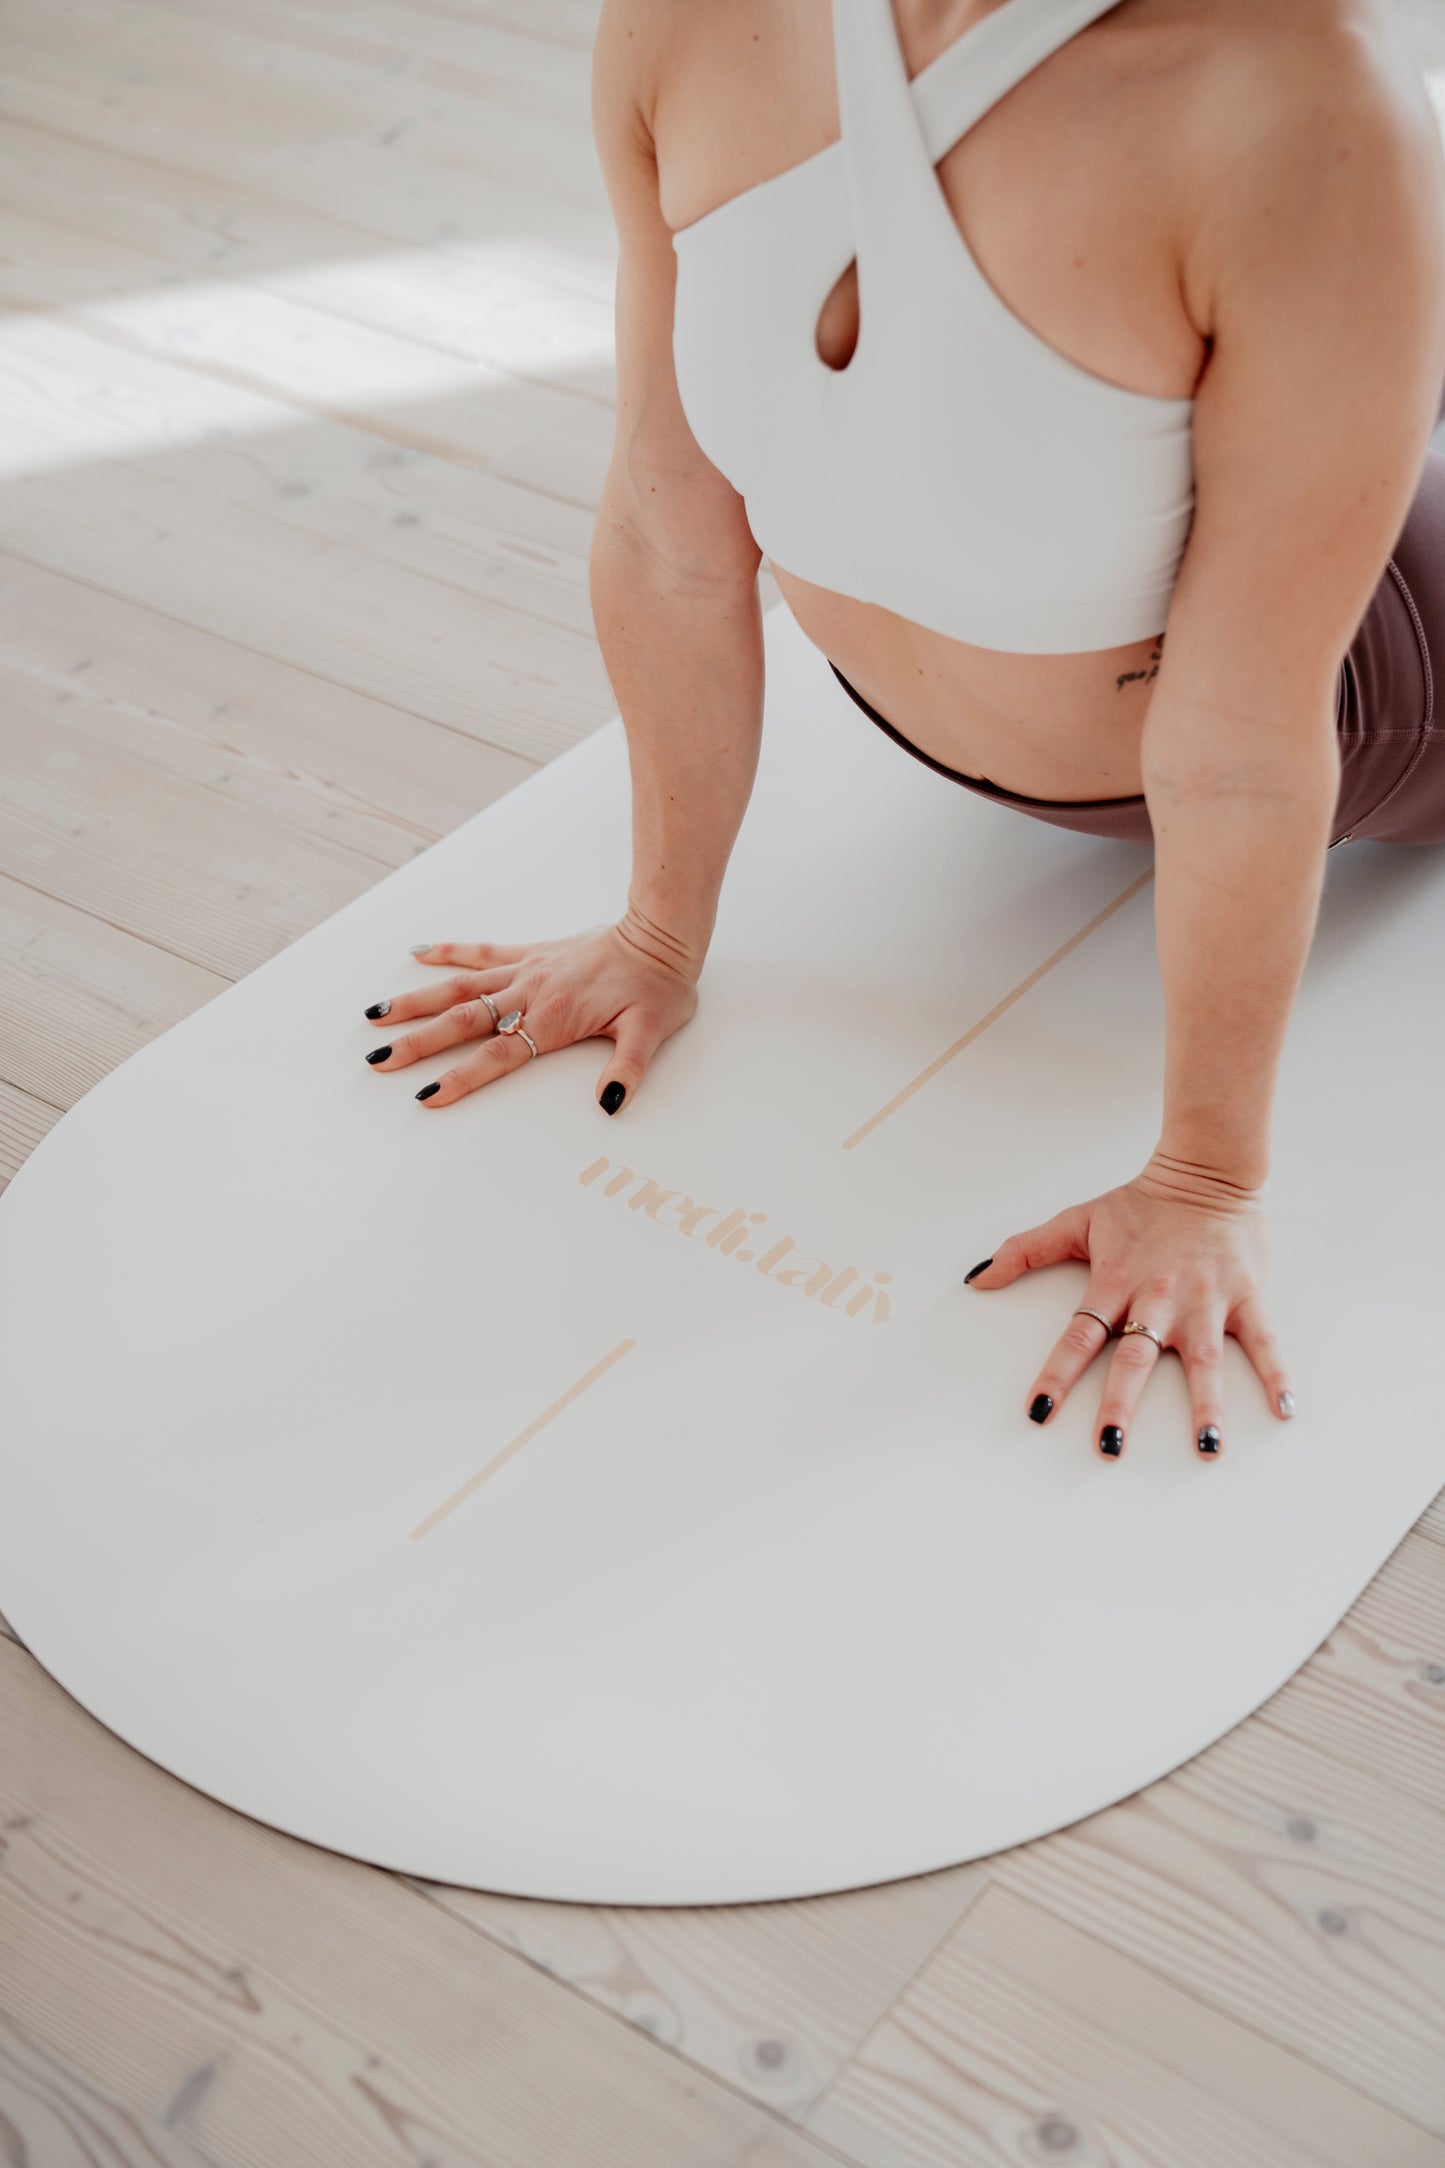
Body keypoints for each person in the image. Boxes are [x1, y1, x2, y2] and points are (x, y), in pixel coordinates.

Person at [358, 0, 1445, 1461]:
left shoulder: (1300, 95)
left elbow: (1241, 737)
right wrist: (657, 932)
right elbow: (670, 521)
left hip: (1388, 688)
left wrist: (1201, 1180)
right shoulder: (690, 18)